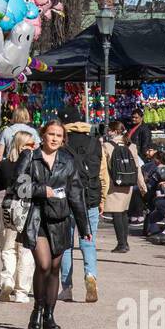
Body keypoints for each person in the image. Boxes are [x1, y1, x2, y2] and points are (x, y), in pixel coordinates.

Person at [14, 120, 90, 329]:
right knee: (44, 265)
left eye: (59, 135)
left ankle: (49, 315)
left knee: (55, 269)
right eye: (51, 134)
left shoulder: (68, 160)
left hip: (60, 219)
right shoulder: (30, 156)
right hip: (36, 218)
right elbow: (17, 186)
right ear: (43, 135)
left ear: (63, 139)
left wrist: (84, 228)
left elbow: (76, 194)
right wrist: (41, 190)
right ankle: (36, 311)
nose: (55, 138)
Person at [58, 105, 103, 303]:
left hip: (67, 198)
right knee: (88, 241)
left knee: (66, 244)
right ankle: (90, 275)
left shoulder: (61, 142)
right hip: (90, 197)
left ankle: (66, 288)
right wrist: (102, 199)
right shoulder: (95, 142)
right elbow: (102, 173)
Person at [0, 130, 37, 303]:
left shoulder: (5, 164)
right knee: (26, 249)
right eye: (32, 144)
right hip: (28, 208)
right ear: (24, 146)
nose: (35, 147)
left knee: (8, 246)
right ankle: (22, 291)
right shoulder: (35, 165)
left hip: (8, 206)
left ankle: (7, 279)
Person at [100, 120, 145, 253]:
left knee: (116, 214)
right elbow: (137, 167)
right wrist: (142, 185)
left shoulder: (107, 146)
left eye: (110, 130)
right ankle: (124, 242)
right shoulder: (131, 146)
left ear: (114, 131)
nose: (108, 132)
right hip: (128, 183)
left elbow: (103, 168)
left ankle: (122, 244)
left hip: (114, 183)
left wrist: (102, 185)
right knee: (123, 213)